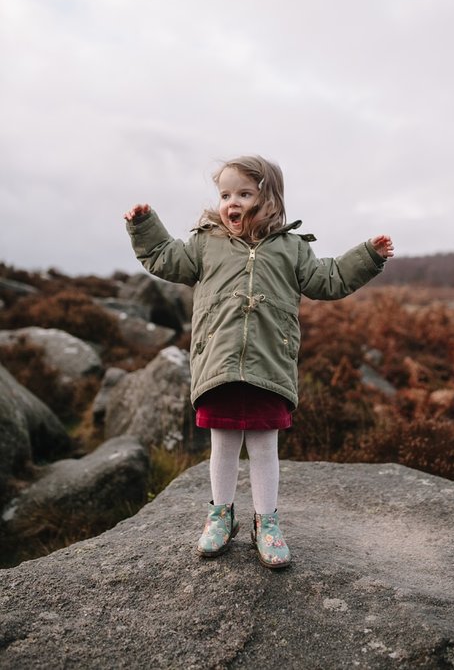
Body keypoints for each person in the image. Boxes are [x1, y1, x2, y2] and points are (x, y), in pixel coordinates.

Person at [124, 155, 394, 568]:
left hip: (270, 364)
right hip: (219, 363)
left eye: (244, 193)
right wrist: (144, 226)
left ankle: (266, 522)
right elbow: (164, 257)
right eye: (225, 194)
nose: (231, 202)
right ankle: (221, 516)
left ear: (268, 199)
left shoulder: (291, 248)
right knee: (224, 443)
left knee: (265, 446)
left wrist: (368, 255)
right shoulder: (205, 242)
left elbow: (330, 279)